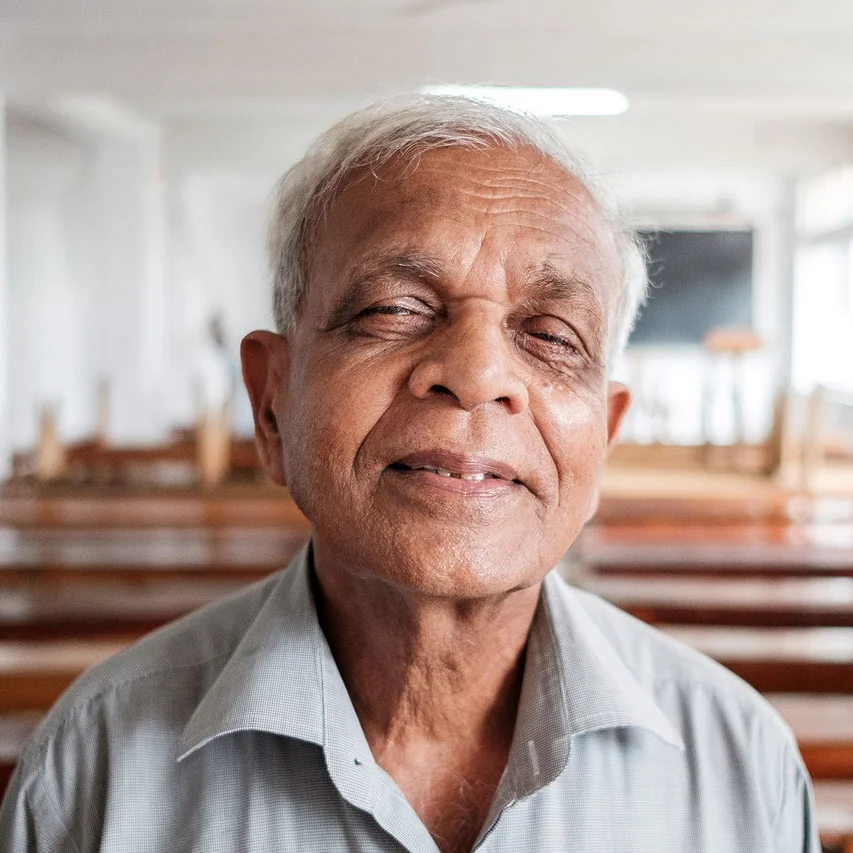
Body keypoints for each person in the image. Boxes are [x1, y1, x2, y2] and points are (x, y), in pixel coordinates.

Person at [0, 95, 819, 852]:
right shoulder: (96, 768)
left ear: (601, 439)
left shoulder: (739, 767)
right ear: (271, 402)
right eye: (394, 308)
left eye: (551, 334)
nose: (474, 373)